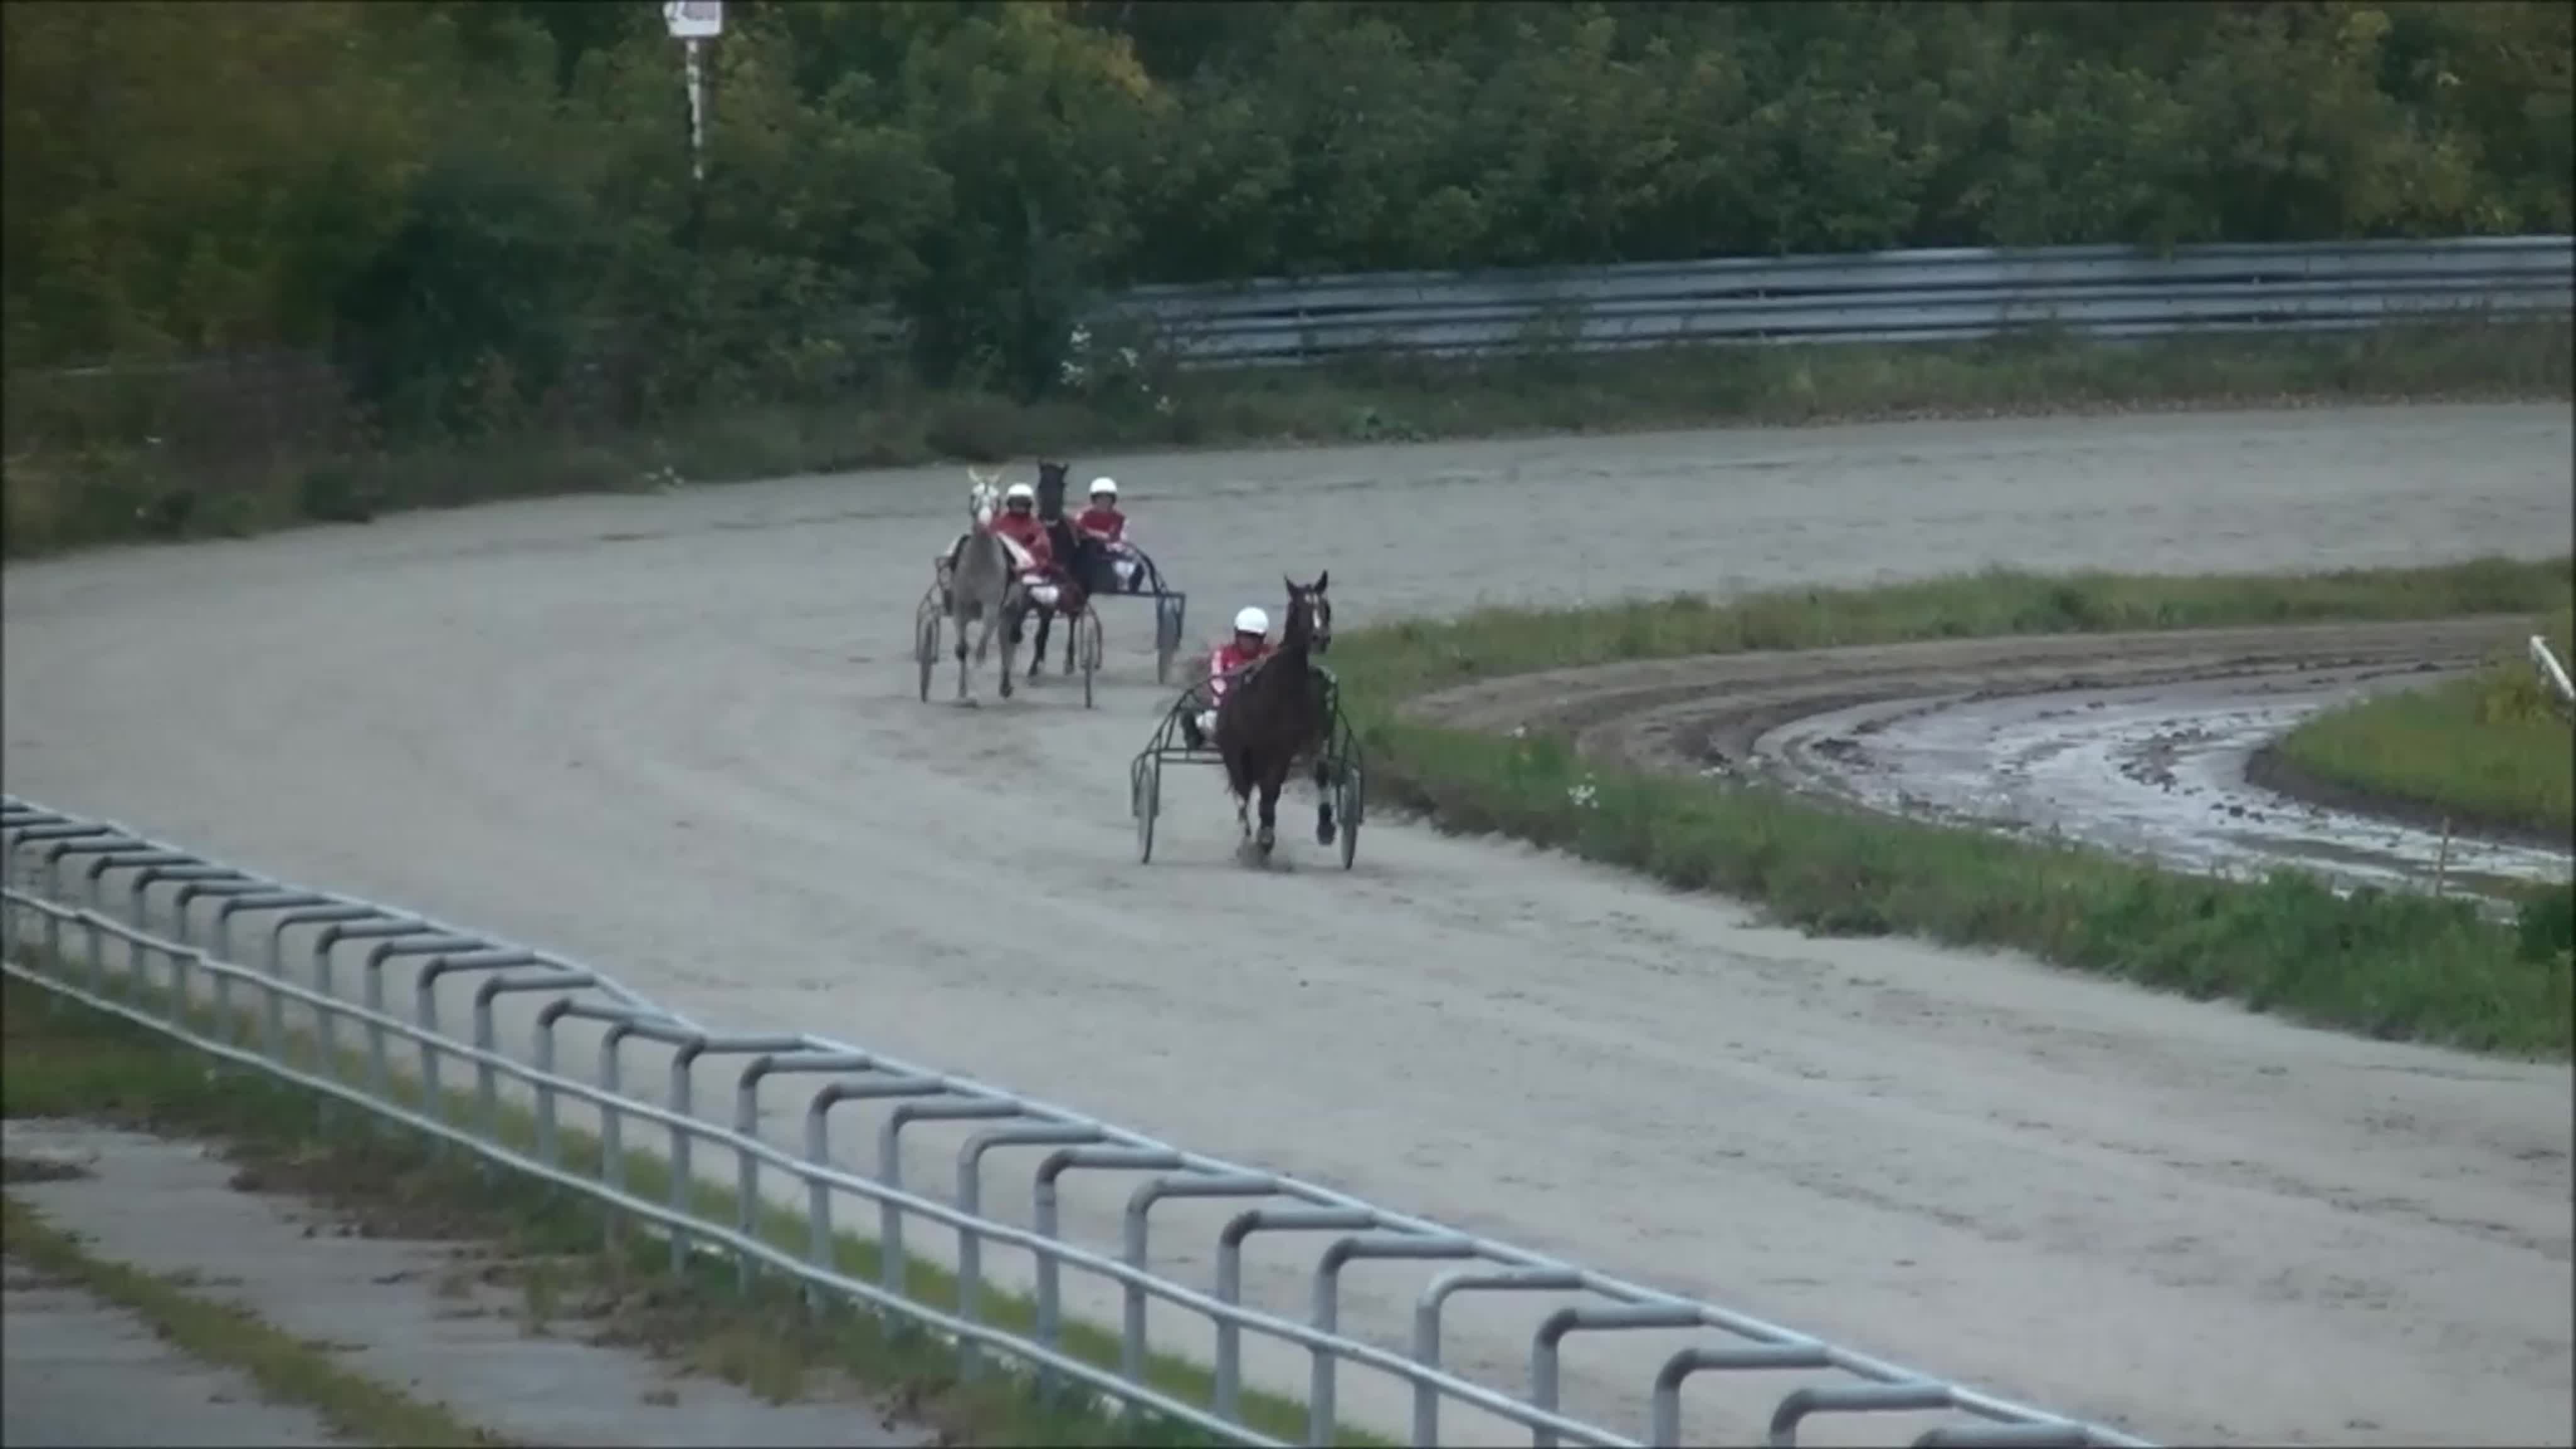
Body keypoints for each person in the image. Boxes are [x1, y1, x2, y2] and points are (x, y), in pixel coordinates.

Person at [1184, 606, 1274, 748]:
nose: (1249, 641)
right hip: (1228, 712)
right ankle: (1193, 728)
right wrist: (1233, 699)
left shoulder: (1271, 656)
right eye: (1245, 635)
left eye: (1254, 637)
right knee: (1207, 721)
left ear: (1262, 638)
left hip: (1263, 712)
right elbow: (1216, 681)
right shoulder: (1223, 654)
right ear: (1237, 635)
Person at [1074, 477, 1145, 593]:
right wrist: (1100, 537)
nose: (1103, 502)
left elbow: (1122, 541)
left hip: (1112, 556)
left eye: (1107, 498)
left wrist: (1109, 543)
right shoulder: (1082, 516)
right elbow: (1077, 534)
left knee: (1136, 568)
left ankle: (1129, 591)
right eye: (1100, 498)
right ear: (1094, 500)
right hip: (1088, 557)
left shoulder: (1121, 520)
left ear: (1113, 500)